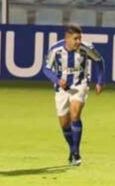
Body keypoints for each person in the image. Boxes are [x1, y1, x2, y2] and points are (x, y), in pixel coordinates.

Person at [42, 24, 105, 167]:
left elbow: (99, 61)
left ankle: (76, 152)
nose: (78, 41)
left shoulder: (86, 48)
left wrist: (100, 81)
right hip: (61, 88)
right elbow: (46, 69)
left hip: (80, 84)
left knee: (75, 113)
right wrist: (57, 81)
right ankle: (72, 149)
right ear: (67, 38)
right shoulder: (55, 49)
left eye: (80, 38)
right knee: (64, 123)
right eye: (75, 39)